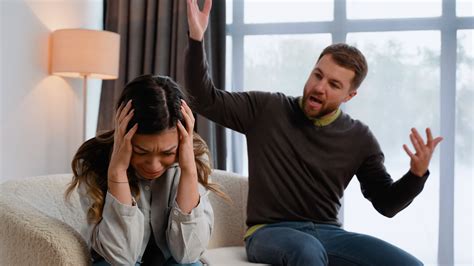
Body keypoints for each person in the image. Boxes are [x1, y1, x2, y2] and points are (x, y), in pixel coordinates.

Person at [185, 0, 443, 265]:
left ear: (349, 95)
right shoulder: (267, 109)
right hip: (268, 233)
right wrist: (196, 39)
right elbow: (205, 99)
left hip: (329, 234)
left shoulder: (359, 138)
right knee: (307, 250)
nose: (320, 87)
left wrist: (416, 175)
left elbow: (386, 204)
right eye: (317, 75)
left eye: (333, 84)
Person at [65, 74, 223, 266]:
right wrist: (117, 171)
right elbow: (120, 258)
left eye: (167, 153)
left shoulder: (194, 157)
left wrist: (188, 169)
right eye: (141, 151)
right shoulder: (92, 161)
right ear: (122, 131)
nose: (154, 165)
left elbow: (188, 254)